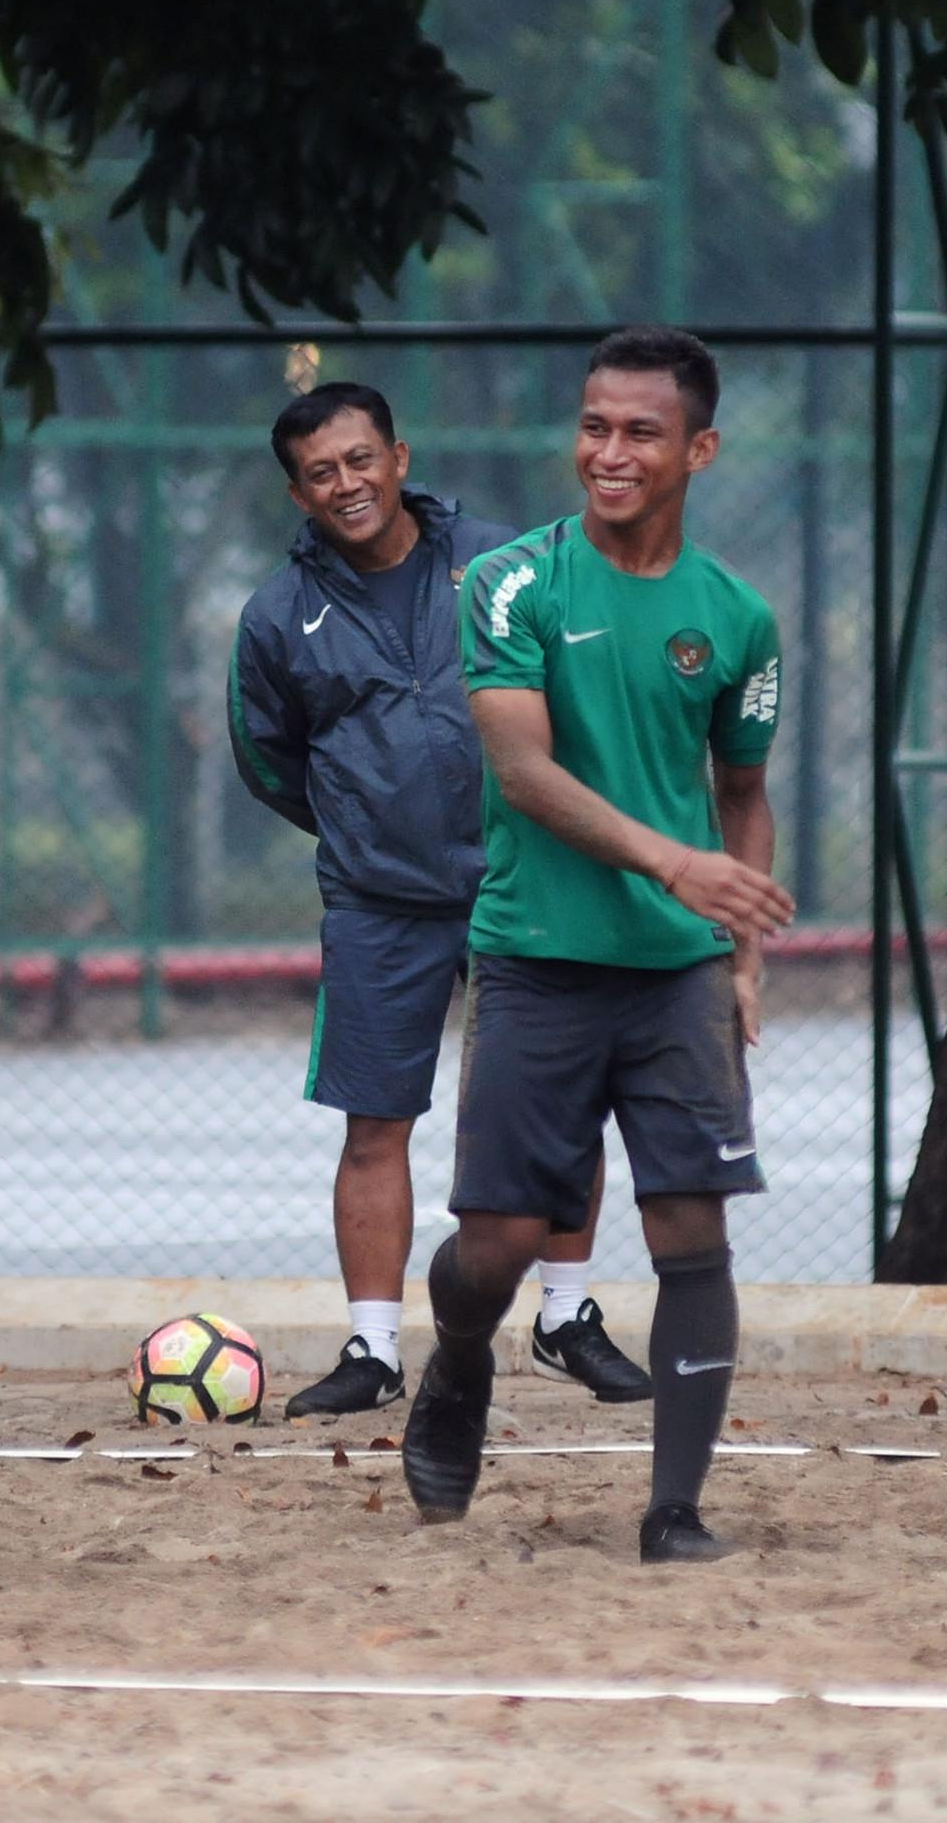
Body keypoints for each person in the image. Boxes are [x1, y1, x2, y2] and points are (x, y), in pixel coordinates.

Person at [402, 326, 790, 1563]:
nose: (606, 453)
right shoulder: (512, 582)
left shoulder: (738, 617)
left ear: (699, 449)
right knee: (500, 1247)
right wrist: (674, 862)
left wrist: (740, 946)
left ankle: (673, 1509)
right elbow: (519, 770)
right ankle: (460, 1355)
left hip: (676, 976)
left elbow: (742, 793)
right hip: (538, 958)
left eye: (639, 432)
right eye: (592, 426)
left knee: (693, 1230)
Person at [230, 382, 649, 1417]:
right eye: (321, 472)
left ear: (399, 456)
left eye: (360, 459)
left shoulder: (506, 565)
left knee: (559, 1107)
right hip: (380, 902)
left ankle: (564, 1318)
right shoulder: (279, 617)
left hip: (527, 880)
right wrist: (370, 819)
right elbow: (267, 760)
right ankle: (372, 1351)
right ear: (297, 492)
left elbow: (584, 692)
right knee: (375, 1126)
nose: (347, 484)